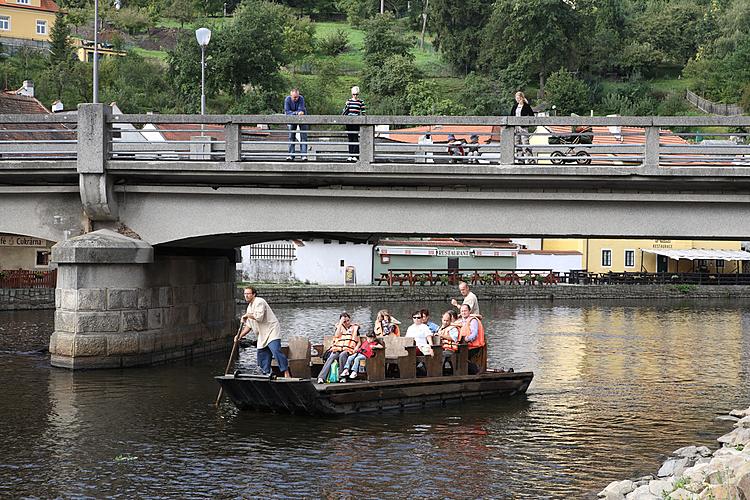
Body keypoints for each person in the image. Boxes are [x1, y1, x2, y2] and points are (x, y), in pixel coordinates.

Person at [235, 287, 290, 377]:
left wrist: (247, 315)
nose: (246, 296)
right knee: (262, 353)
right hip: (262, 334)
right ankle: (266, 373)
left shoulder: (260, 302)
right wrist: (239, 336)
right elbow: (249, 326)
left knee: (275, 350)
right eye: (245, 294)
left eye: (248, 294)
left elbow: (259, 317)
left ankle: (286, 372)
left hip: (271, 330)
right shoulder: (249, 308)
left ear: (254, 294)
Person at [317, 312, 361, 384]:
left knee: (342, 355)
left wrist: (357, 347)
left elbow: (359, 341)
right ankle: (321, 377)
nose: (347, 323)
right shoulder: (339, 328)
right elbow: (337, 335)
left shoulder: (355, 328)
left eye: (348, 321)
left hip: (348, 349)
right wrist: (340, 323)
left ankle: (342, 377)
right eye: (344, 321)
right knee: (332, 357)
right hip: (338, 348)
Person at [458, 303, 485, 370]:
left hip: (474, 346)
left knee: (461, 356)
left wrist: (468, 338)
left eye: (465, 311)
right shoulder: (462, 321)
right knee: (456, 354)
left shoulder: (473, 320)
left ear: (469, 311)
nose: (463, 312)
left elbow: (474, 333)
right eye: (462, 311)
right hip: (465, 345)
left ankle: (476, 370)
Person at [342, 86, 366, 162]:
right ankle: (350, 154)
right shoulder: (349, 101)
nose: (355, 96)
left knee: (355, 138)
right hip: (349, 122)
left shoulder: (361, 102)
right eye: (354, 94)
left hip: (357, 122)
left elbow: (363, 113)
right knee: (350, 138)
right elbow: (344, 112)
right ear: (352, 94)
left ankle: (355, 155)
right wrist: (346, 105)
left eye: (356, 94)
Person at [510, 91, 535, 164]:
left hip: (523, 127)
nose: (517, 99)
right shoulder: (515, 106)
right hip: (516, 127)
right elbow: (511, 116)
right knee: (517, 144)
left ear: (521, 98)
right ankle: (520, 159)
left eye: (518, 98)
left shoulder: (526, 106)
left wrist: (525, 121)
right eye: (516, 98)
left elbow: (531, 115)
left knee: (525, 143)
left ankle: (530, 159)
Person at [284, 88, 308, 161]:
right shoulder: (287, 99)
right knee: (291, 137)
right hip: (292, 119)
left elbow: (301, 109)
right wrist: (296, 113)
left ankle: (304, 156)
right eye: (294, 97)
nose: (296, 98)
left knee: (303, 137)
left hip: (302, 118)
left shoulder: (301, 98)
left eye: (297, 97)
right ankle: (291, 155)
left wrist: (295, 113)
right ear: (291, 95)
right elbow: (287, 111)